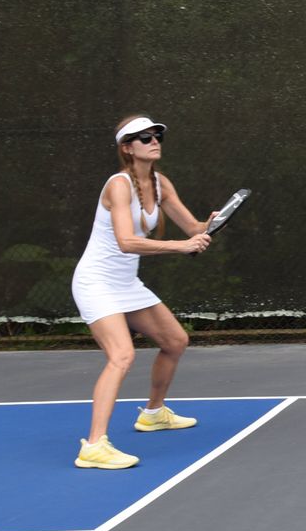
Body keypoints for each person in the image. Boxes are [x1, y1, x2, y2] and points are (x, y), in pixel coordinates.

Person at [69, 115, 215, 467]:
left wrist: (212, 223)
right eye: (144, 137)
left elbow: (193, 226)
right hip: (96, 282)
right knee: (122, 356)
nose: (154, 140)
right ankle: (93, 446)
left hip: (125, 284)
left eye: (157, 135)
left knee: (175, 341)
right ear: (127, 148)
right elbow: (126, 241)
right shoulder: (118, 185)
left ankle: (153, 413)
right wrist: (181, 246)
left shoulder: (160, 183)